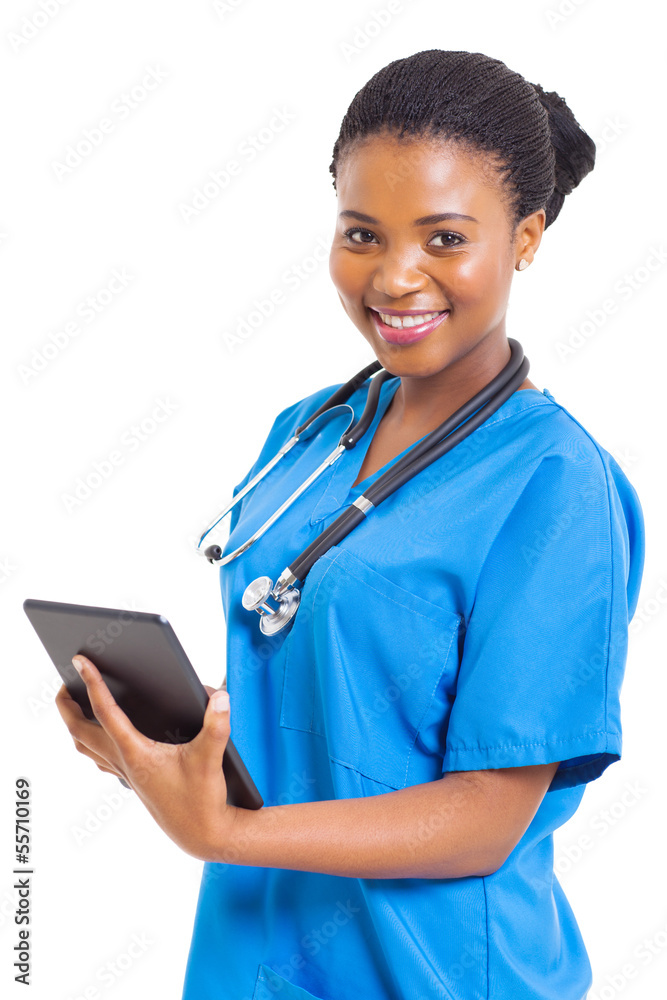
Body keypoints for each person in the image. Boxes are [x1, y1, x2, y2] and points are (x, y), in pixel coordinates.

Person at [56, 49, 645, 1000]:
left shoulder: (553, 485)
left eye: (445, 239)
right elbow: (322, 694)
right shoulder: (310, 433)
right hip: (252, 954)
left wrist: (226, 832)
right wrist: (161, 755)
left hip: (431, 973)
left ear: (526, 237)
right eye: (362, 232)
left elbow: (485, 816)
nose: (395, 276)